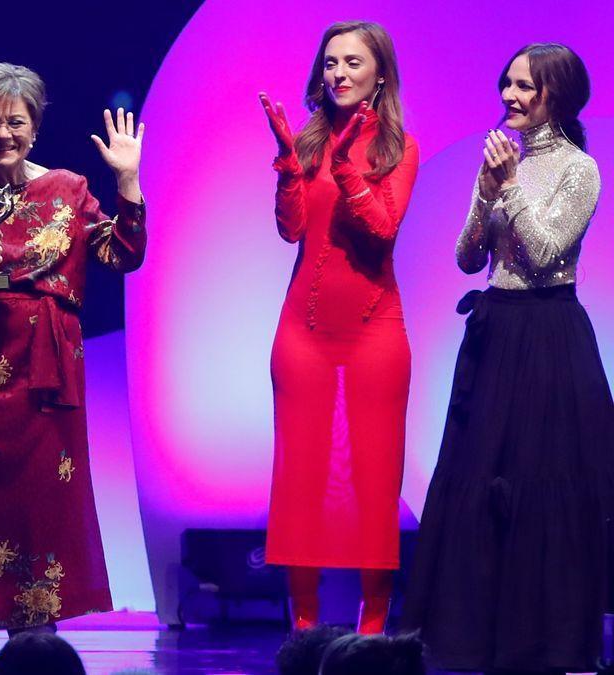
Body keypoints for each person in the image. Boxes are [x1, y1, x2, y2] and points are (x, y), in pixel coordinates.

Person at [0, 61, 146, 675]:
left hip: (43, 375)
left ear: (35, 128)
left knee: (38, 506)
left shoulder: (67, 188)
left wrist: (128, 181)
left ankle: (31, 648)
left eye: (15, 122)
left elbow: (123, 255)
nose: (3, 135)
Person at [403, 43, 609, 674]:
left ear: (557, 96)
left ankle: (544, 643)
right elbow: (469, 258)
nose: (509, 96)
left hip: (548, 338)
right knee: (478, 478)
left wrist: (512, 188)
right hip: (494, 332)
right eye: (508, 83)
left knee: (540, 483)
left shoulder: (580, 170)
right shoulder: (498, 161)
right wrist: (487, 195)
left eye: (525, 86)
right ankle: (471, 638)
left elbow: (545, 254)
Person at [259, 20, 419, 634]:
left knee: (375, 477)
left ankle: (372, 630)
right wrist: (287, 166)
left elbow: (382, 228)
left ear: (380, 75)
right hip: (302, 332)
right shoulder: (308, 141)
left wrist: (348, 163)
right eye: (330, 63)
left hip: (376, 329)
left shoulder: (399, 148)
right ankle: (304, 629)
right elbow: (291, 230)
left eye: (353, 62)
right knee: (299, 477)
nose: (339, 73)